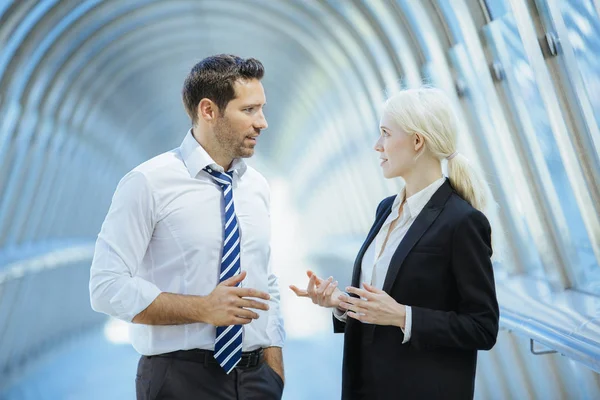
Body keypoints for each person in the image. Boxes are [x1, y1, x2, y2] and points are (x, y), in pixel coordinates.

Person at [90, 54, 285, 400]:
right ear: (209, 111)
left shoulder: (256, 186)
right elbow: (106, 287)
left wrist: (274, 367)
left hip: (257, 381)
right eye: (249, 110)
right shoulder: (147, 183)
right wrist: (202, 308)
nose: (262, 123)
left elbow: (265, 278)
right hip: (180, 380)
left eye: (262, 108)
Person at [290, 87, 499, 400]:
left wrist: (403, 316)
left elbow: (483, 327)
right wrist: (343, 304)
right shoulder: (385, 210)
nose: (377, 146)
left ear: (417, 142)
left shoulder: (462, 221)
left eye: (385, 134)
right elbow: (382, 307)